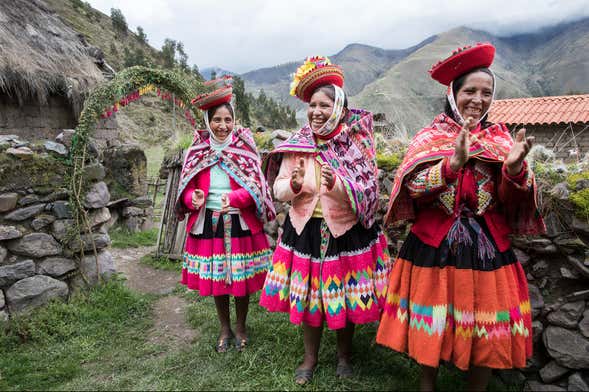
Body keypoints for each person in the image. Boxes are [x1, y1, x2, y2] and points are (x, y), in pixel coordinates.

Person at [376, 43, 546, 391]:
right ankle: (428, 384)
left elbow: (510, 201)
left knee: (487, 324)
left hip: (487, 249)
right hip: (433, 245)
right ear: (453, 94)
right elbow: (414, 189)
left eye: (486, 93)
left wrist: (513, 170)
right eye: (470, 91)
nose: (478, 100)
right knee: (433, 320)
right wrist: (451, 165)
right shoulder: (430, 138)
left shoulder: (499, 140)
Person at [259, 56, 391, 384]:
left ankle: (345, 356)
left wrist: (338, 185)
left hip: (346, 234)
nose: (317, 112)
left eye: (324, 105)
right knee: (310, 299)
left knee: (344, 297)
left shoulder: (354, 145)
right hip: (305, 231)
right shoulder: (298, 145)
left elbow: (368, 191)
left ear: (339, 109)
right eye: (312, 105)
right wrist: (293, 184)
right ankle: (310, 357)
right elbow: (278, 190)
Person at [175, 76, 275, 353]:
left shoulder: (244, 148)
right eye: (217, 120)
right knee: (218, 278)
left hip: (240, 221)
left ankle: (241, 326)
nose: (222, 126)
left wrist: (235, 198)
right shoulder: (197, 151)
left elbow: (257, 187)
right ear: (208, 121)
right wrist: (192, 198)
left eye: (227, 120)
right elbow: (187, 186)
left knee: (241, 279)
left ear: (234, 120)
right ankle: (224, 328)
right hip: (209, 222)